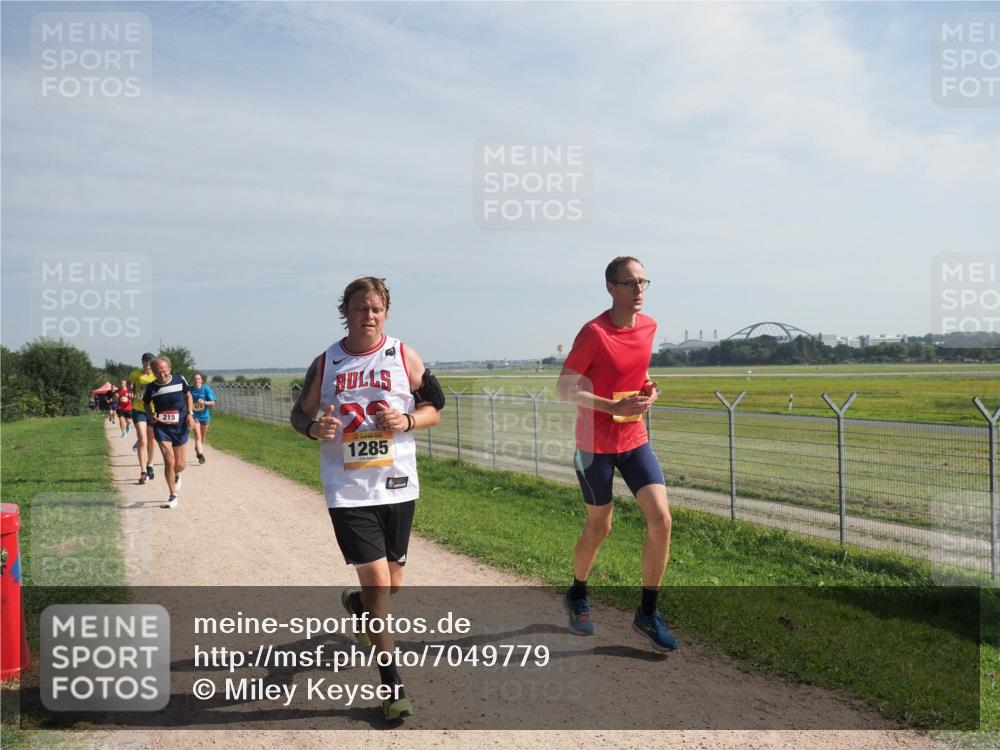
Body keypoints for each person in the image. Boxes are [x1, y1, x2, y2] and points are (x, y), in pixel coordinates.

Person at [289, 276, 444, 721]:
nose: (369, 316)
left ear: (386, 313)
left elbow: (436, 405)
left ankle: (358, 606)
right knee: (378, 584)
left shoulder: (402, 355)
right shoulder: (327, 361)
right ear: (347, 312)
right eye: (360, 308)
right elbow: (299, 414)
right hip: (348, 488)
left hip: (397, 484)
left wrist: (409, 420)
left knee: (391, 586)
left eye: (376, 308)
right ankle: (392, 685)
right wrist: (314, 428)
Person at [555, 256, 678, 652]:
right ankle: (577, 593)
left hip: (635, 440)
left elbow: (634, 375)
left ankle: (647, 612)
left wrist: (648, 389)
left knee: (661, 519)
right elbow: (564, 388)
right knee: (600, 527)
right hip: (594, 446)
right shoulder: (594, 332)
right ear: (611, 287)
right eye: (630, 283)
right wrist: (612, 407)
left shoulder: (649, 326)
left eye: (644, 282)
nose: (639, 289)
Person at [143, 356, 195, 509]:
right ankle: (172, 495)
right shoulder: (151, 387)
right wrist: (151, 414)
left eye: (164, 372)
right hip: (162, 427)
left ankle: (177, 474)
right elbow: (146, 403)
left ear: (170, 369)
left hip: (180, 426)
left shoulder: (180, 380)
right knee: (169, 461)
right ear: (153, 372)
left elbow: (189, 395)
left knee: (179, 464)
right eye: (158, 373)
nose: (162, 375)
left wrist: (190, 413)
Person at [129, 353, 159, 485]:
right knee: (143, 439)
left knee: (151, 440)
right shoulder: (135, 374)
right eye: (145, 362)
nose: (147, 364)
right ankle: (143, 472)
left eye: (149, 362)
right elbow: (130, 384)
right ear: (142, 363)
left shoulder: (156, 375)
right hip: (138, 410)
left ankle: (150, 465)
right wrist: (131, 392)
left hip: (152, 411)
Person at [188, 372, 217, 464]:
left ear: (202, 380)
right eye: (195, 379)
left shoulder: (206, 389)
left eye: (198, 378)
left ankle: (198, 448)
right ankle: (201, 456)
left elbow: (213, 403)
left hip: (204, 416)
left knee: (203, 437)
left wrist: (204, 402)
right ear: (192, 380)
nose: (197, 380)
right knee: (198, 435)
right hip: (194, 416)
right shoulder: (189, 390)